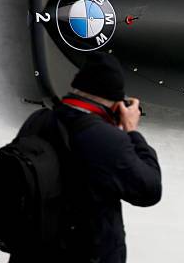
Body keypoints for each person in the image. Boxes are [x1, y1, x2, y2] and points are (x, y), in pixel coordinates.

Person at [9, 53, 162, 263]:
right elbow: (149, 189)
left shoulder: (37, 120)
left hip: (31, 253)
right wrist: (131, 132)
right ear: (117, 105)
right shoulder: (107, 140)